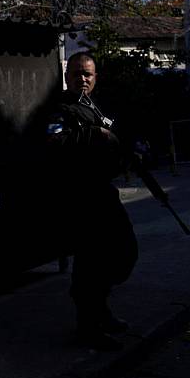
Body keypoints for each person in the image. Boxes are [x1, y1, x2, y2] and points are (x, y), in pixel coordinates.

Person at [48, 51, 138, 351]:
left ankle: (101, 310)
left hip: (103, 192)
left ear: (95, 78)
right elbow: (53, 142)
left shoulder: (97, 106)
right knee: (91, 263)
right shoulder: (59, 108)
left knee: (124, 253)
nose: (82, 79)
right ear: (67, 76)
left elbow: (116, 139)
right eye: (76, 73)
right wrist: (92, 134)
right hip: (78, 196)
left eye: (87, 74)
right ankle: (89, 326)